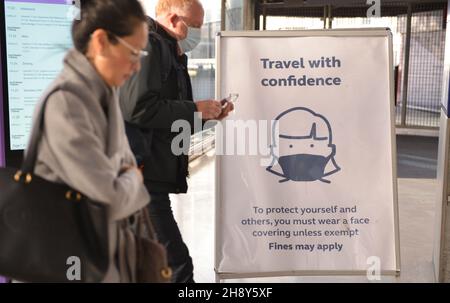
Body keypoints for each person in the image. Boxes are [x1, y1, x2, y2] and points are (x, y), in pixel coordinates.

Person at [30, 0, 150, 282]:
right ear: (100, 42)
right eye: (133, 53)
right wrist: (133, 178)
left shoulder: (103, 93)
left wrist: (125, 177)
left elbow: (121, 172)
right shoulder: (68, 103)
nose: (136, 66)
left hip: (97, 256)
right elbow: (110, 198)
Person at [119, 0, 233, 283]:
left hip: (149, 173)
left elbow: (163, 118)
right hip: (141, 176)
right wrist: (195, 109)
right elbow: (138, 108)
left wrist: (208, 115)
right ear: (172, 19)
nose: (198, 32)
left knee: (152, 262)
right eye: (194, 26)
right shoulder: (149, 46)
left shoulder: (168, 49)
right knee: (176, 264)